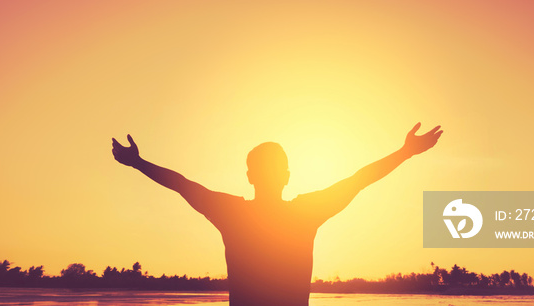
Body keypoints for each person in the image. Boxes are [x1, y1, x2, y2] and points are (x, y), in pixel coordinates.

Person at [111, 122, 442, 306]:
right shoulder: (304, 212)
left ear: (251, 177)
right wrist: (404, 152)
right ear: (285, 175)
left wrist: (138, 162)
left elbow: (182, 184)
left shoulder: (232, 213)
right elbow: (358, 180)